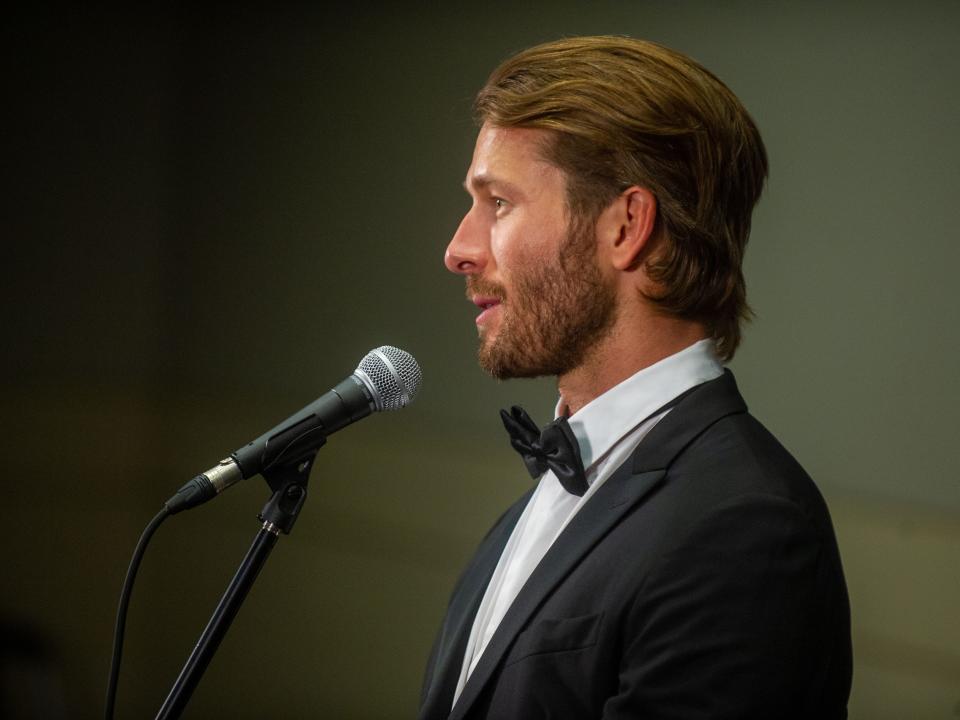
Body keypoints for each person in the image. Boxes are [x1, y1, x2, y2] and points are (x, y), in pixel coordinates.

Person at [420, 36, 852, 720]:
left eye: (498, 202)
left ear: (626, 224)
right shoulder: (535, 507)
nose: (459, 250)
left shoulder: (746, 527)